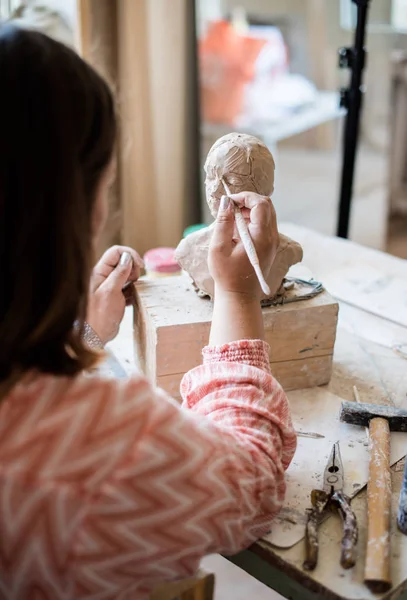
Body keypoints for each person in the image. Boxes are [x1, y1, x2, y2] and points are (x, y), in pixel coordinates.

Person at [0, 24, 296, 600]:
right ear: (72, 212)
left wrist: (83, 336)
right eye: (105, 188)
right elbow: (254, 484)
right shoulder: (98, 446)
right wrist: (237, 296)